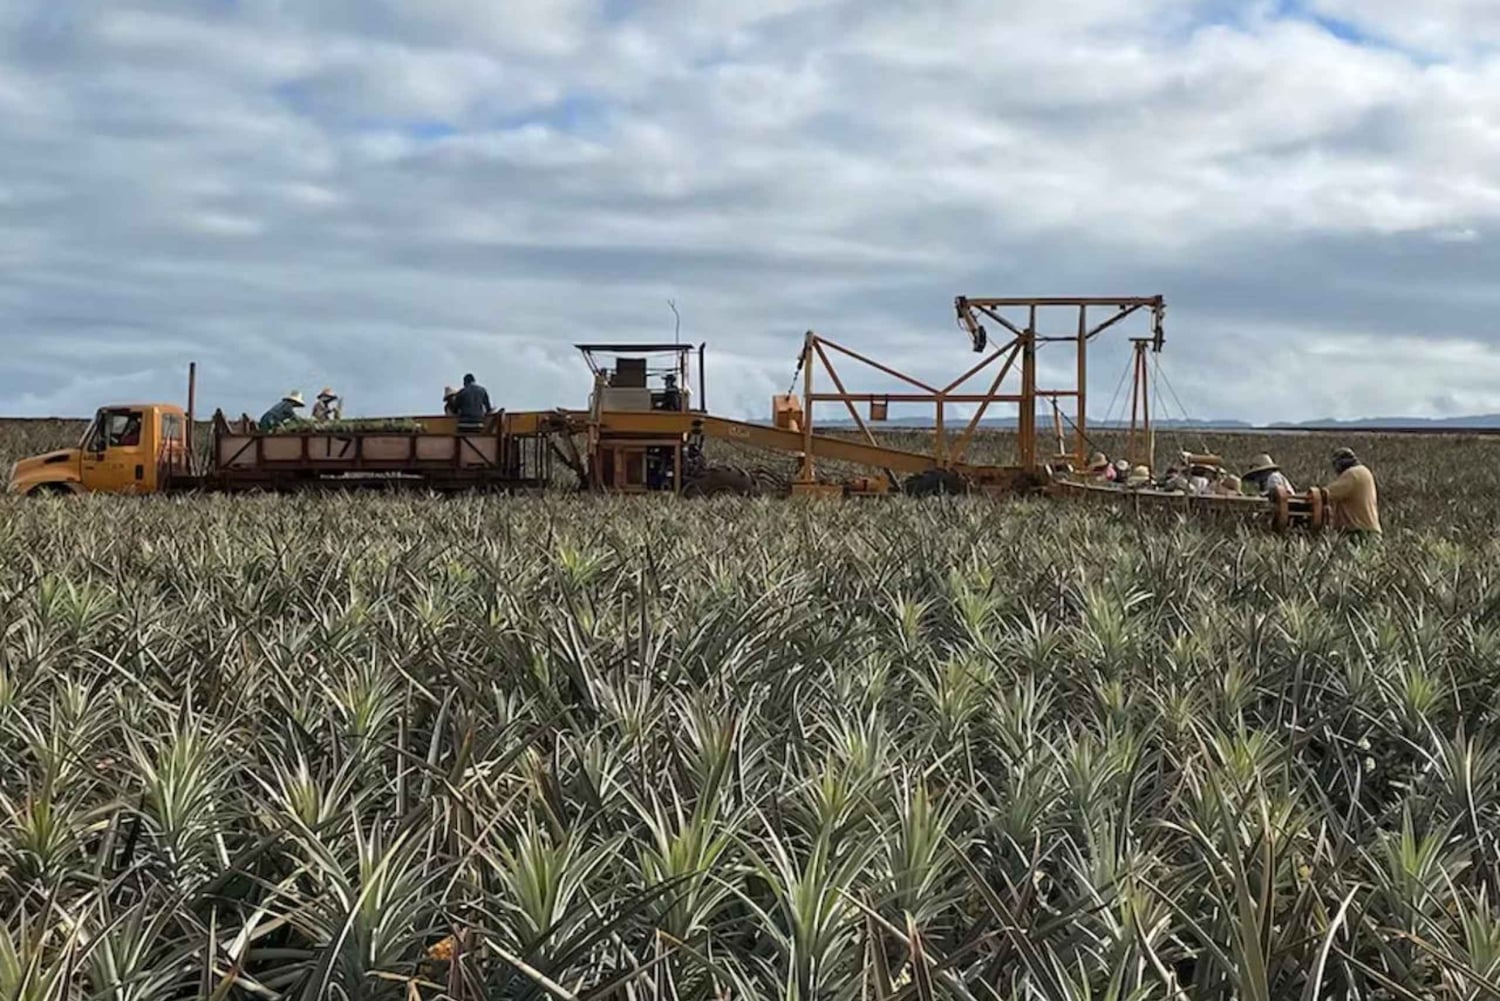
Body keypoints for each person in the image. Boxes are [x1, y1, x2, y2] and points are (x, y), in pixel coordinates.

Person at [1325, 447, 1381, 535]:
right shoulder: (1364, 471)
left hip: (1359, 530)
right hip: (1370, 528)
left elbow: (1327, 494)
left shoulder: (1352, 474)